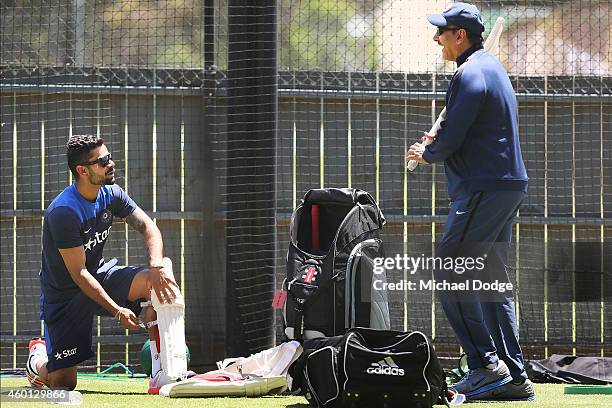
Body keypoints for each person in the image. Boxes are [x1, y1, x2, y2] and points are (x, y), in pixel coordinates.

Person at [406, 2, 534, 402]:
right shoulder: (489, 65)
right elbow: (472, 122)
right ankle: (513, 376)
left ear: (460, 35)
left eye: (441, 31)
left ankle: (484, 365)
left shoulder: (471, 72)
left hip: (484, 188)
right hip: (504, 186)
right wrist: (438, 144)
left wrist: (429, 152)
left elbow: (461, 120)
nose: (436, 38)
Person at [26, 134, 183, 393]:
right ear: (82, 170)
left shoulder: (111, 194)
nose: (111, 164)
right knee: (63, 384)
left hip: (98, 274)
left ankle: (162, 372)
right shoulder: (64, 211)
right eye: (103, 161)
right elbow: (78, 273)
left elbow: (148, 227)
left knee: (159, 281)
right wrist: (117, 310)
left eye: (109, 157)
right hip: (65, 296)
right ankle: (38, 361)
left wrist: (156, 265)